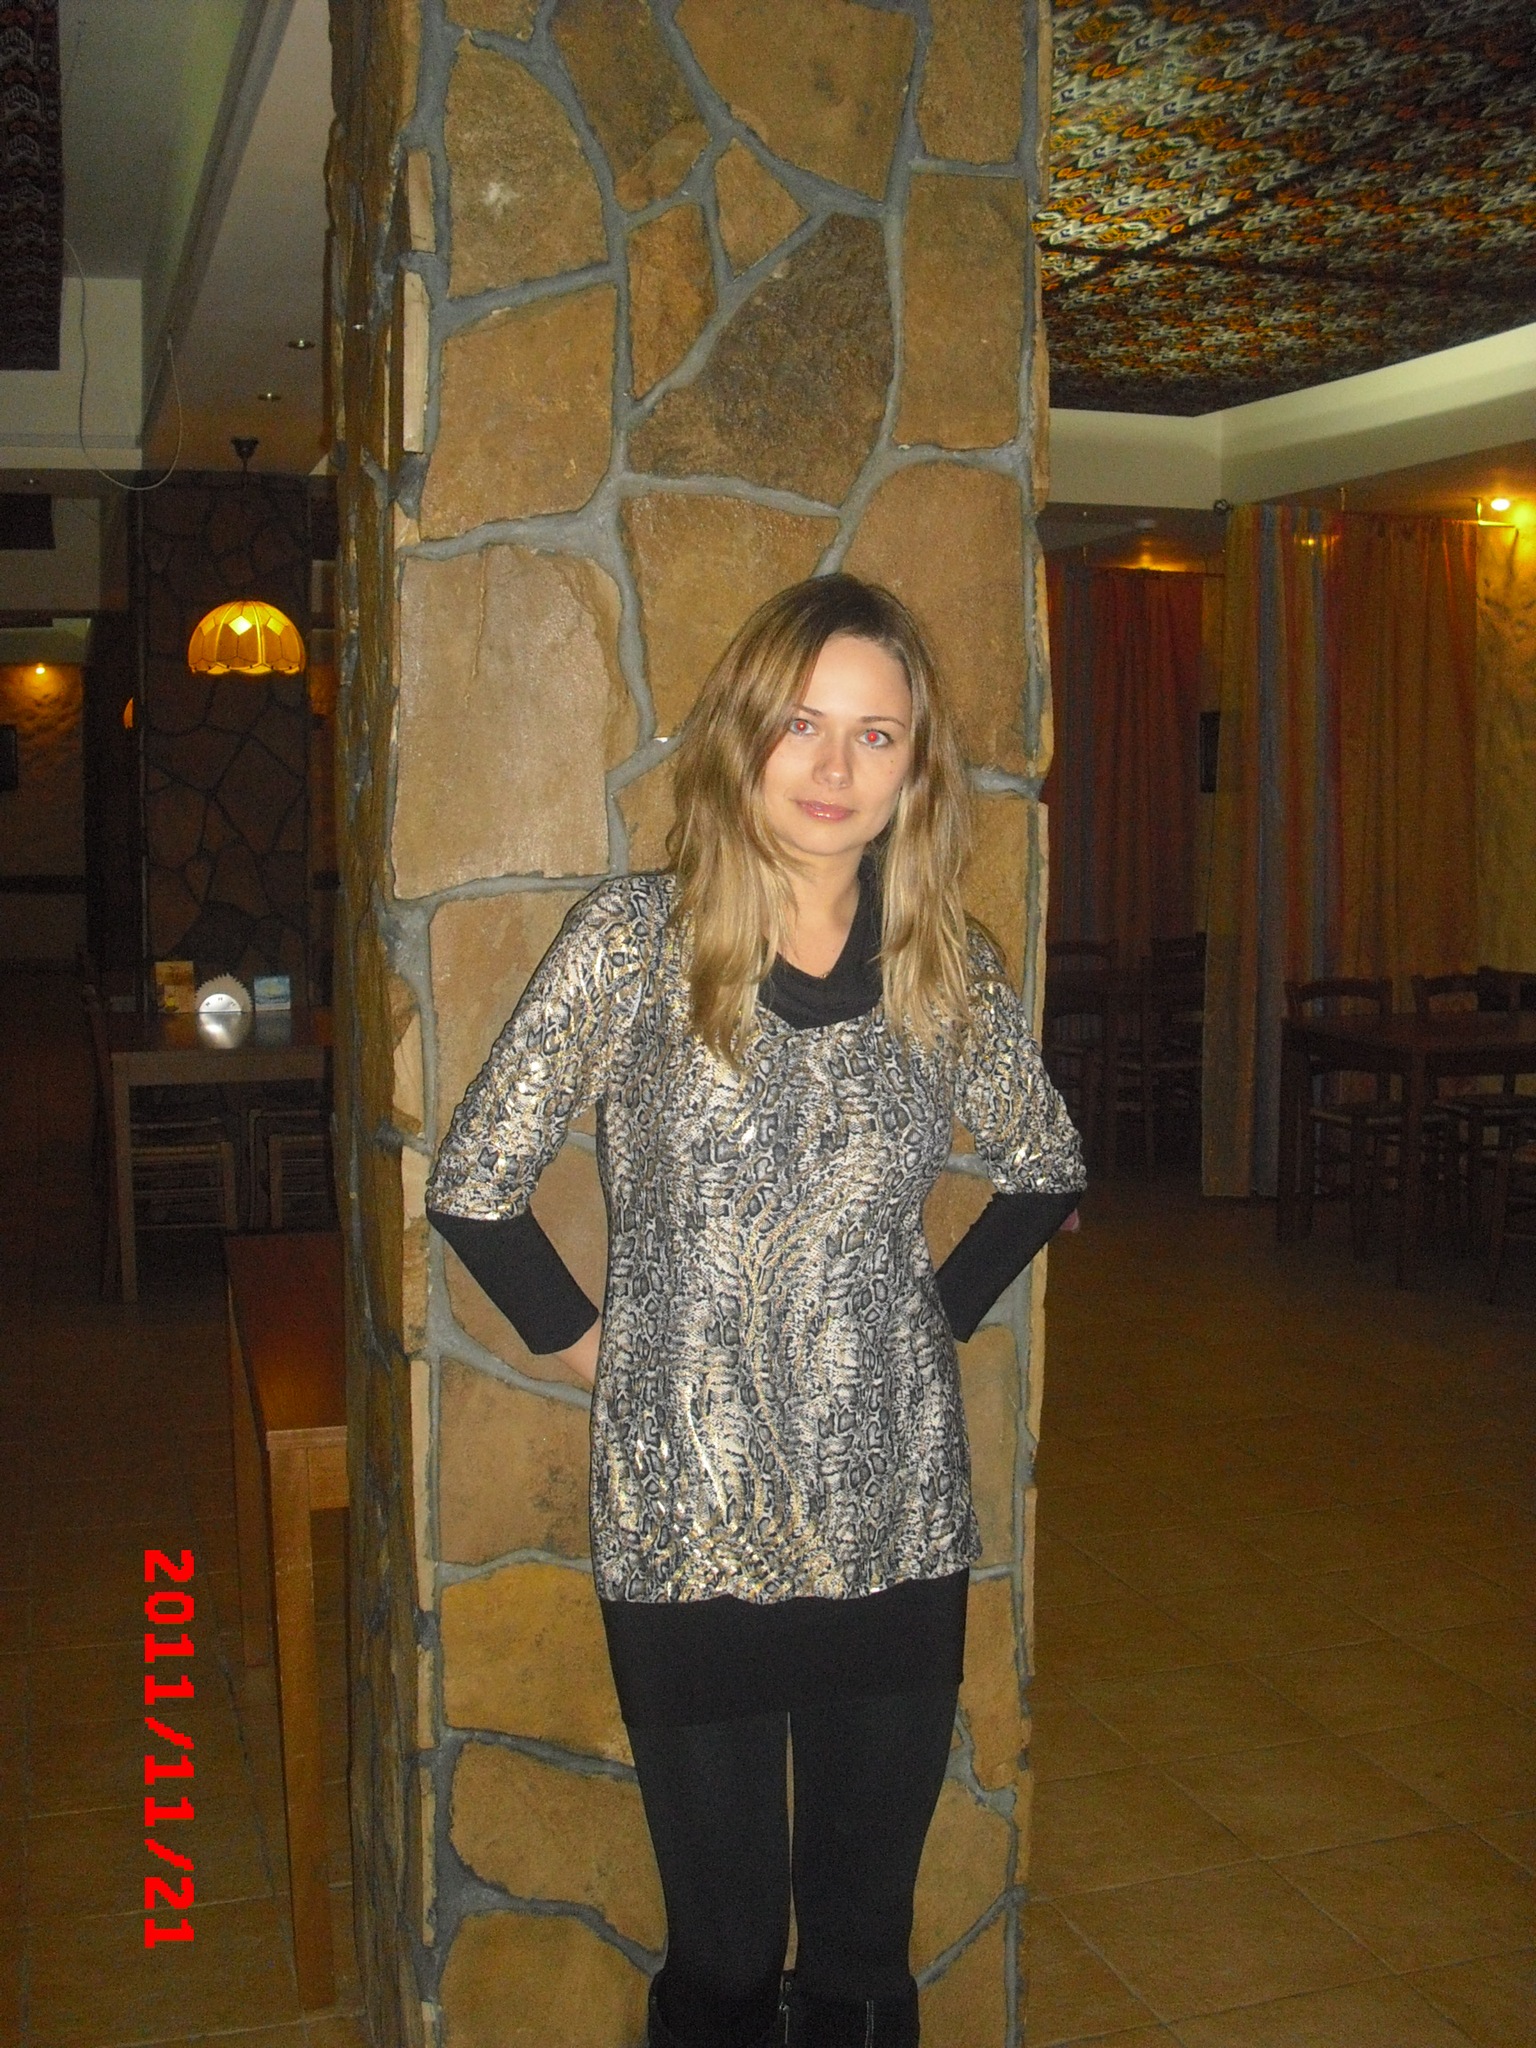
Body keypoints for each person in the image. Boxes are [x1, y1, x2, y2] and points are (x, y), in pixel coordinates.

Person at [426, 574, 1085, 2048]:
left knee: (861, 1950)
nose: (835, 767)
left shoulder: (944, 963)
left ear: (915, 767)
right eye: (802, 724)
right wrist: (608, 1356)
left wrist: (921, 1324)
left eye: (876, 734)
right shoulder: (630, 942)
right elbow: (475, 1185)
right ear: (743, 735)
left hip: (894, 1519)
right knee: (724, 1954)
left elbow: (1045, 1166)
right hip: (687, 1523)